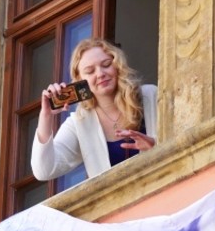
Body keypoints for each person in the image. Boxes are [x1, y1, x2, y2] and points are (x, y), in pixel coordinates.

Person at [32, 38, 158, 182]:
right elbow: (44, 171)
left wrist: (155, 146)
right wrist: (46, 115)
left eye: (106, 65)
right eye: (90, 71)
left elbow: (177, 136)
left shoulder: (150, 96)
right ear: (79, 79)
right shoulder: (79, 122)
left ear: (117, 66)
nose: (100, 74)